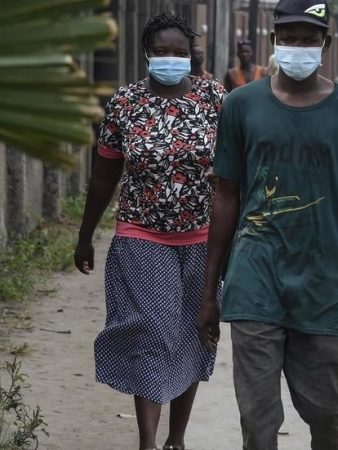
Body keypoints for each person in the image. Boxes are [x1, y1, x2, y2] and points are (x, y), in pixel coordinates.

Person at [195, 0, 338, 448]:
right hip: (254, 276)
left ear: (325, 43)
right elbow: (225, 196)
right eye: (289, 38)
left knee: (329, 414)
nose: (297, 46)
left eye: (308, 39)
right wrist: (209, 291)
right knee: (258, 422)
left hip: (321, 281)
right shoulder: (241, 106)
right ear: (275, 40)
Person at [74, 13, 226, 450]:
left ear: (191, 56)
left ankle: (177, 439)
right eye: (162, 52)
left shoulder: (216, 100)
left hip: (201, 239)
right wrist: (85, 235)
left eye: (179, 52)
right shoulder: (126, 102)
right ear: (146, 53)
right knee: (152, 332)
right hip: (142, 236)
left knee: (192, 336)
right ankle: (147, 441)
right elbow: (104, 175)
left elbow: (236, 170)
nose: (170, 59)